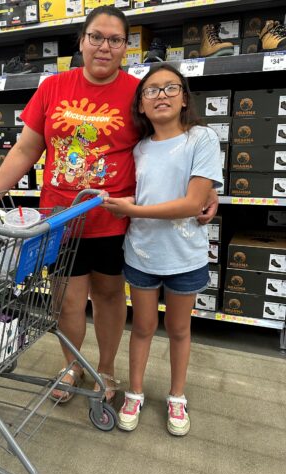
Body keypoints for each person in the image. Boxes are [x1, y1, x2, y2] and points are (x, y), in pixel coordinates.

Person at [0, 6, 217, 404]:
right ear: (81, 41)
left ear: (125, 47)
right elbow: (26, 148)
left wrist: (208, 190)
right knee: (67, 300)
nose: (104, 47)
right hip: (60, 218)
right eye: (96, 37)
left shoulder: (137, 93)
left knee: (109, 296)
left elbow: (171, 141)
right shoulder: (53, 87)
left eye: (114, 40)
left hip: (116, 219)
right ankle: (71, 365)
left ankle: (106, 369)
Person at [101, 64, 223, 436]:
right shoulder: (138, 149)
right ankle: (135, 392)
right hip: (142, 253)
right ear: (140, 105)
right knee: (141, 326)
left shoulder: (201, 138)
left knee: (179, 329)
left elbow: (191, 204)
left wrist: (132, 210)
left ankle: (176, 396)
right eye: (151, 91)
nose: (162, 95)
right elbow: (156, 192)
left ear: (185, 97)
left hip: (185, 255)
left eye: (171, 88)